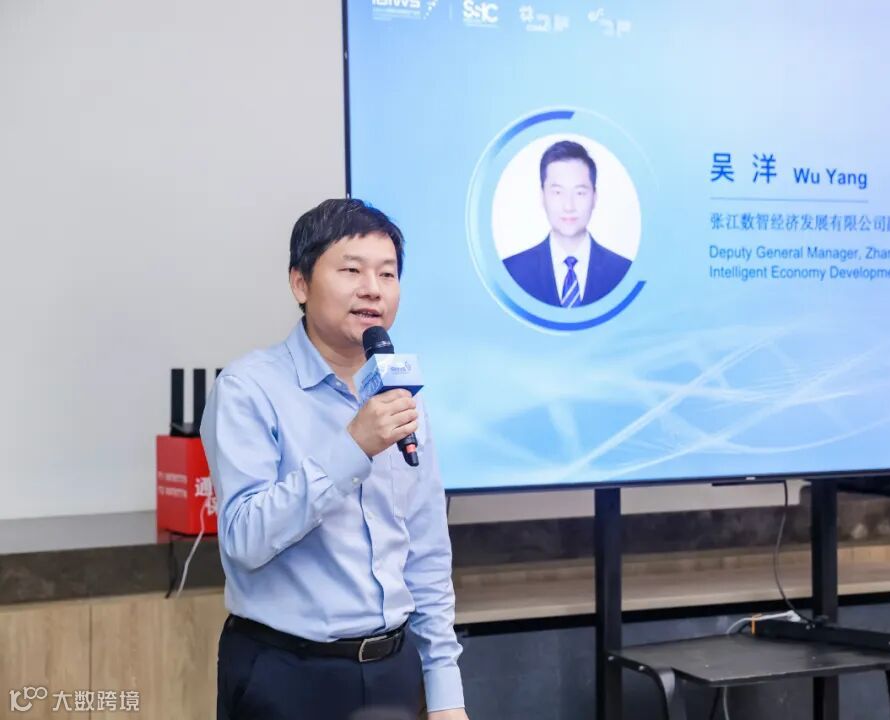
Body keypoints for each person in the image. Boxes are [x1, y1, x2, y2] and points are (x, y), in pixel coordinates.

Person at [201, 199, 468, 720]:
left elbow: (427, 551)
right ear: (300, 284)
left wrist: (445, 690)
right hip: (286, 673)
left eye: (387, 274)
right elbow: (243, 539)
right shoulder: (248, 388)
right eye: (351, 271)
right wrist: (353, 447)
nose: (373, 289)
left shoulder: (400, 394)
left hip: (394, 669)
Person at [502, 140, 631, 307]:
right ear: (542, 196)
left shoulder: (624, 274)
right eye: (557, 192)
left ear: (594, 197)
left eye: (580, 193)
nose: (569, 206)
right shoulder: (511, 273)